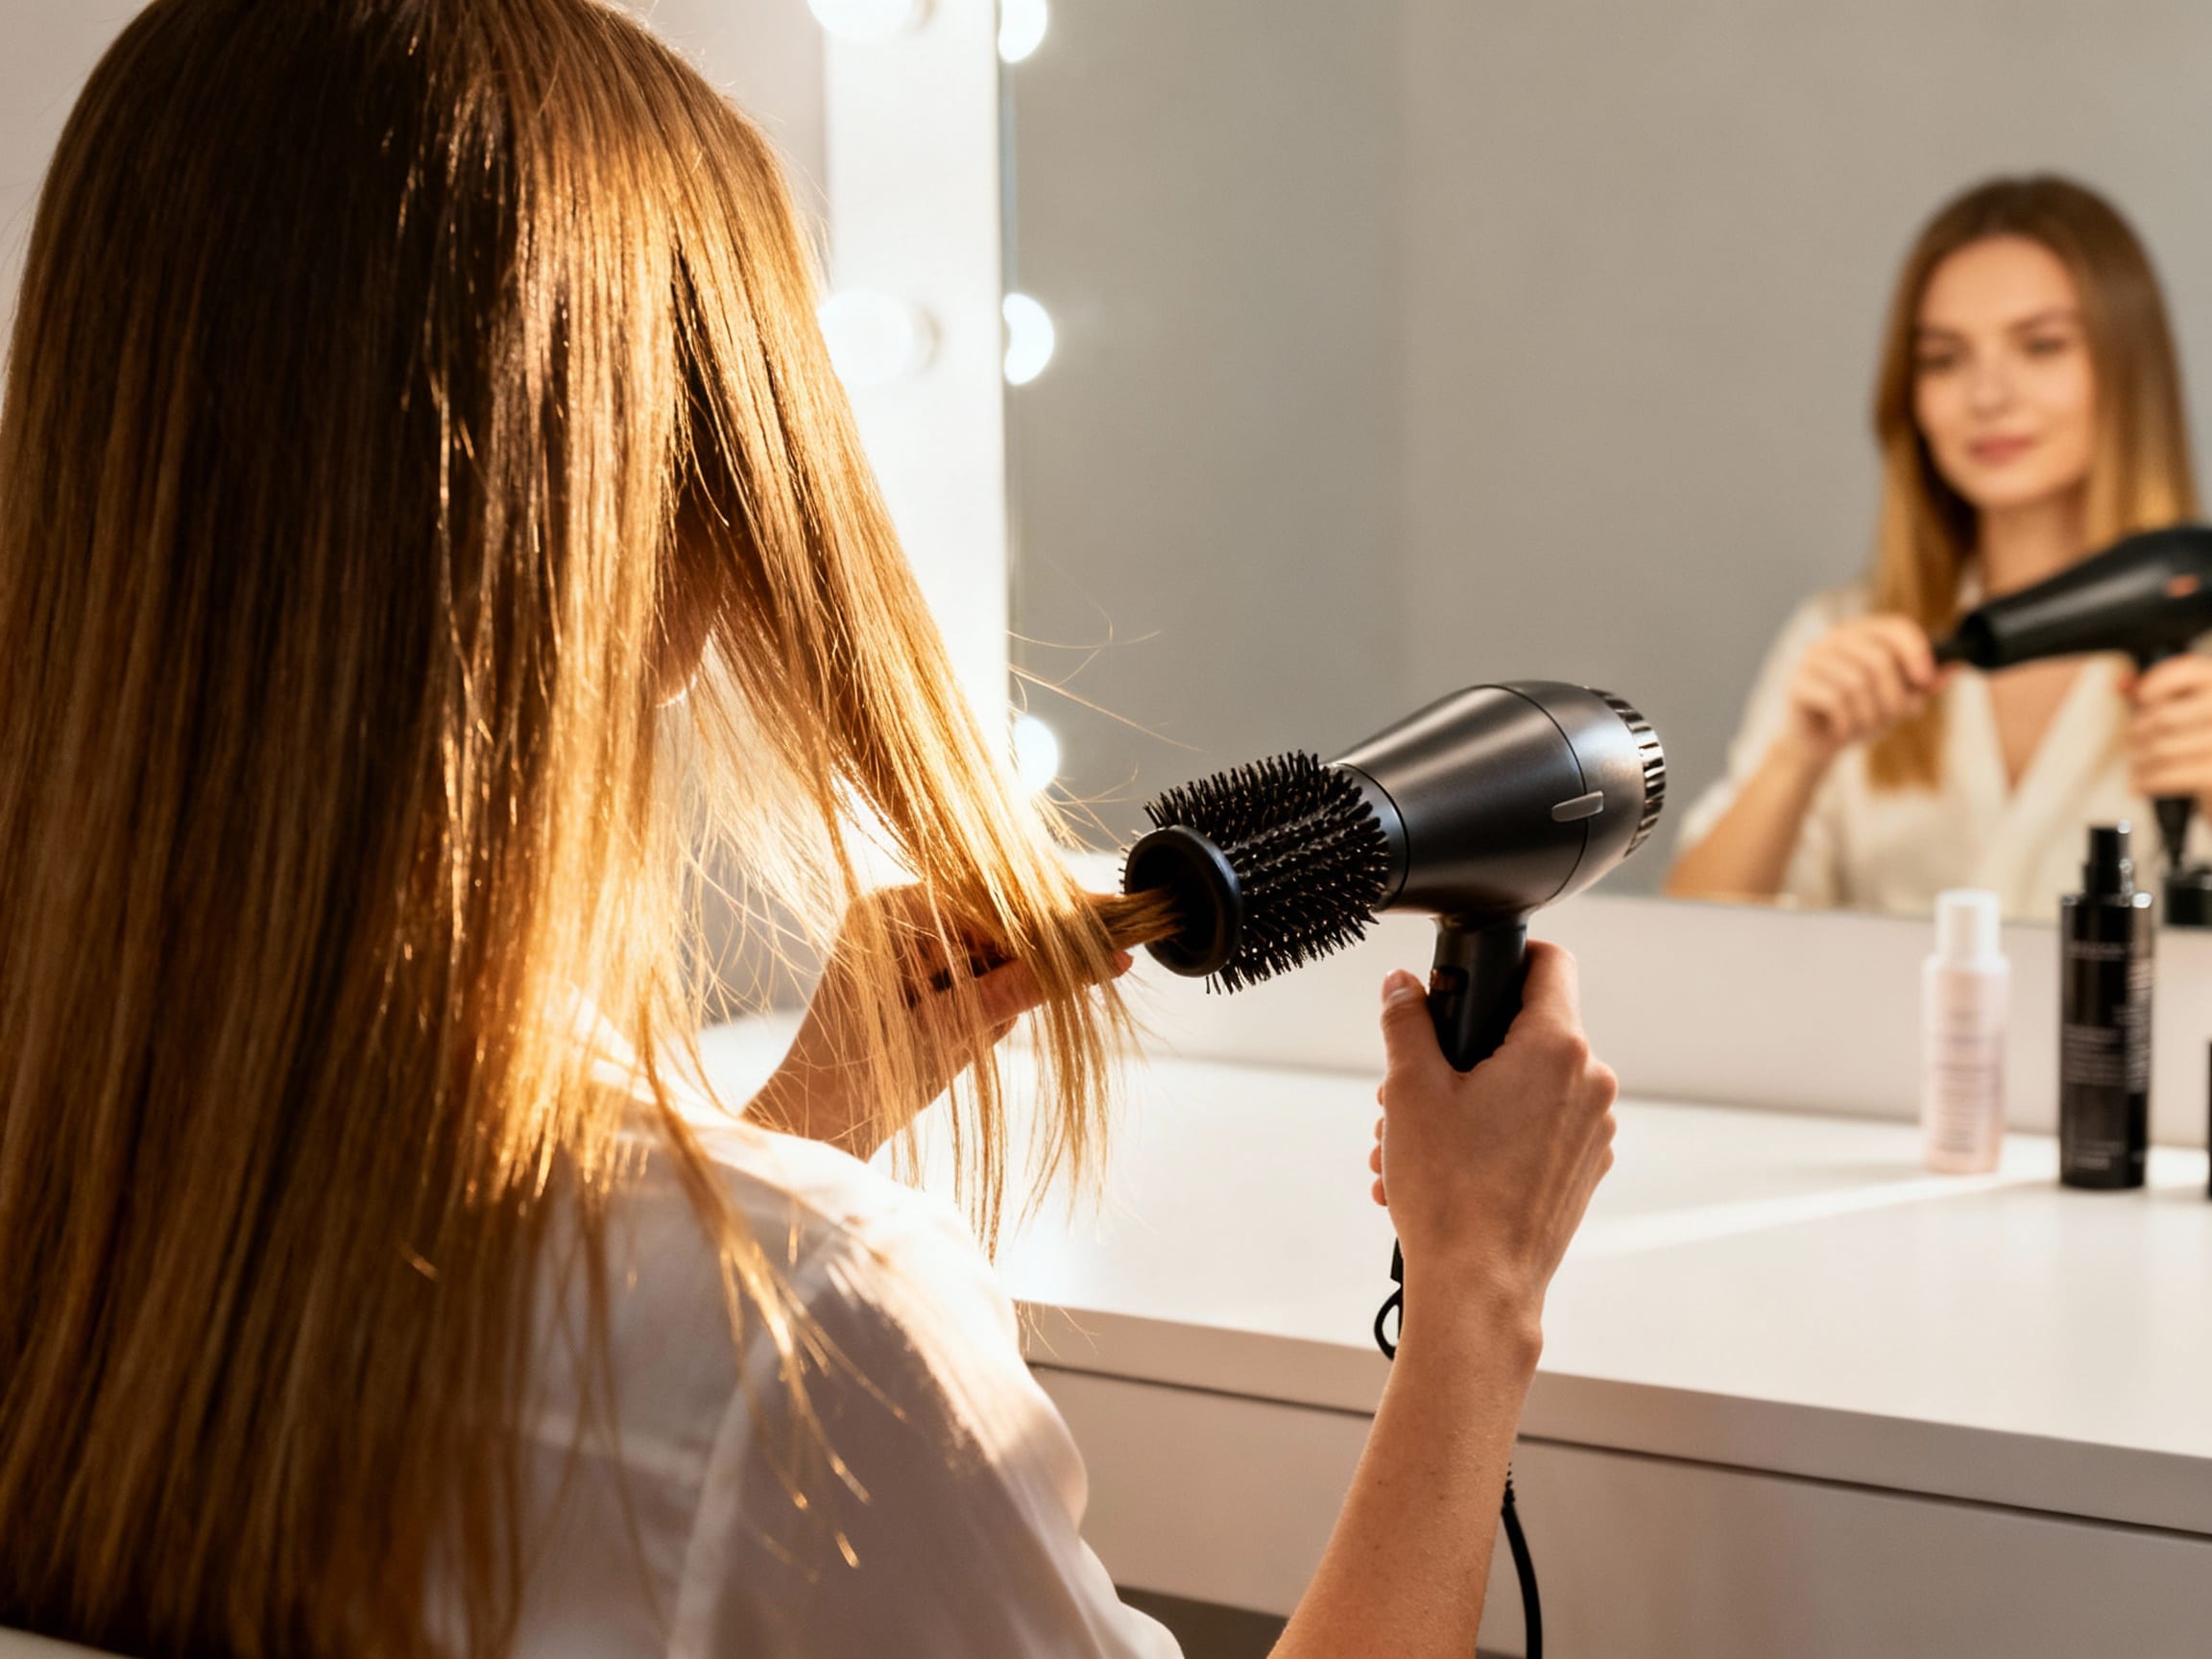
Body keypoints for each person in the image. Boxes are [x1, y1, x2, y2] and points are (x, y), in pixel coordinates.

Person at [0, 3, 1619, 1656]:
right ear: (682, 567)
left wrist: (804, 1120)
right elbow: (685, 1402)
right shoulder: (800, 1337)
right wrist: (1475, 1296)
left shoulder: (86, 1192)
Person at [1668, 175, 2209, 916]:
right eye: (1944, 359)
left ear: (2127, 372)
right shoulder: (1839, 642)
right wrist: (1795, 761)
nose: (1988, 395)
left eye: (2042, 346)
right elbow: (1693, 941)